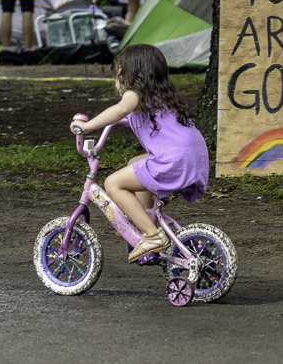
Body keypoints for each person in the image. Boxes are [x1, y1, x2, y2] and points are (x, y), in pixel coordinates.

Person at [70, 44, 209, 263]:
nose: (116, 81)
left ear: (132, 75)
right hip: (195, 159)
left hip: (172, 161)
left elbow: (120, 110)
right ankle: (147, 220)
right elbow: (129, 116)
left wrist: (86, 127)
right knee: (135, 162)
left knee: (113, 183)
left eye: (118, 74)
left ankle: (152, 236)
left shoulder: (134, 95)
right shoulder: (161, 98)